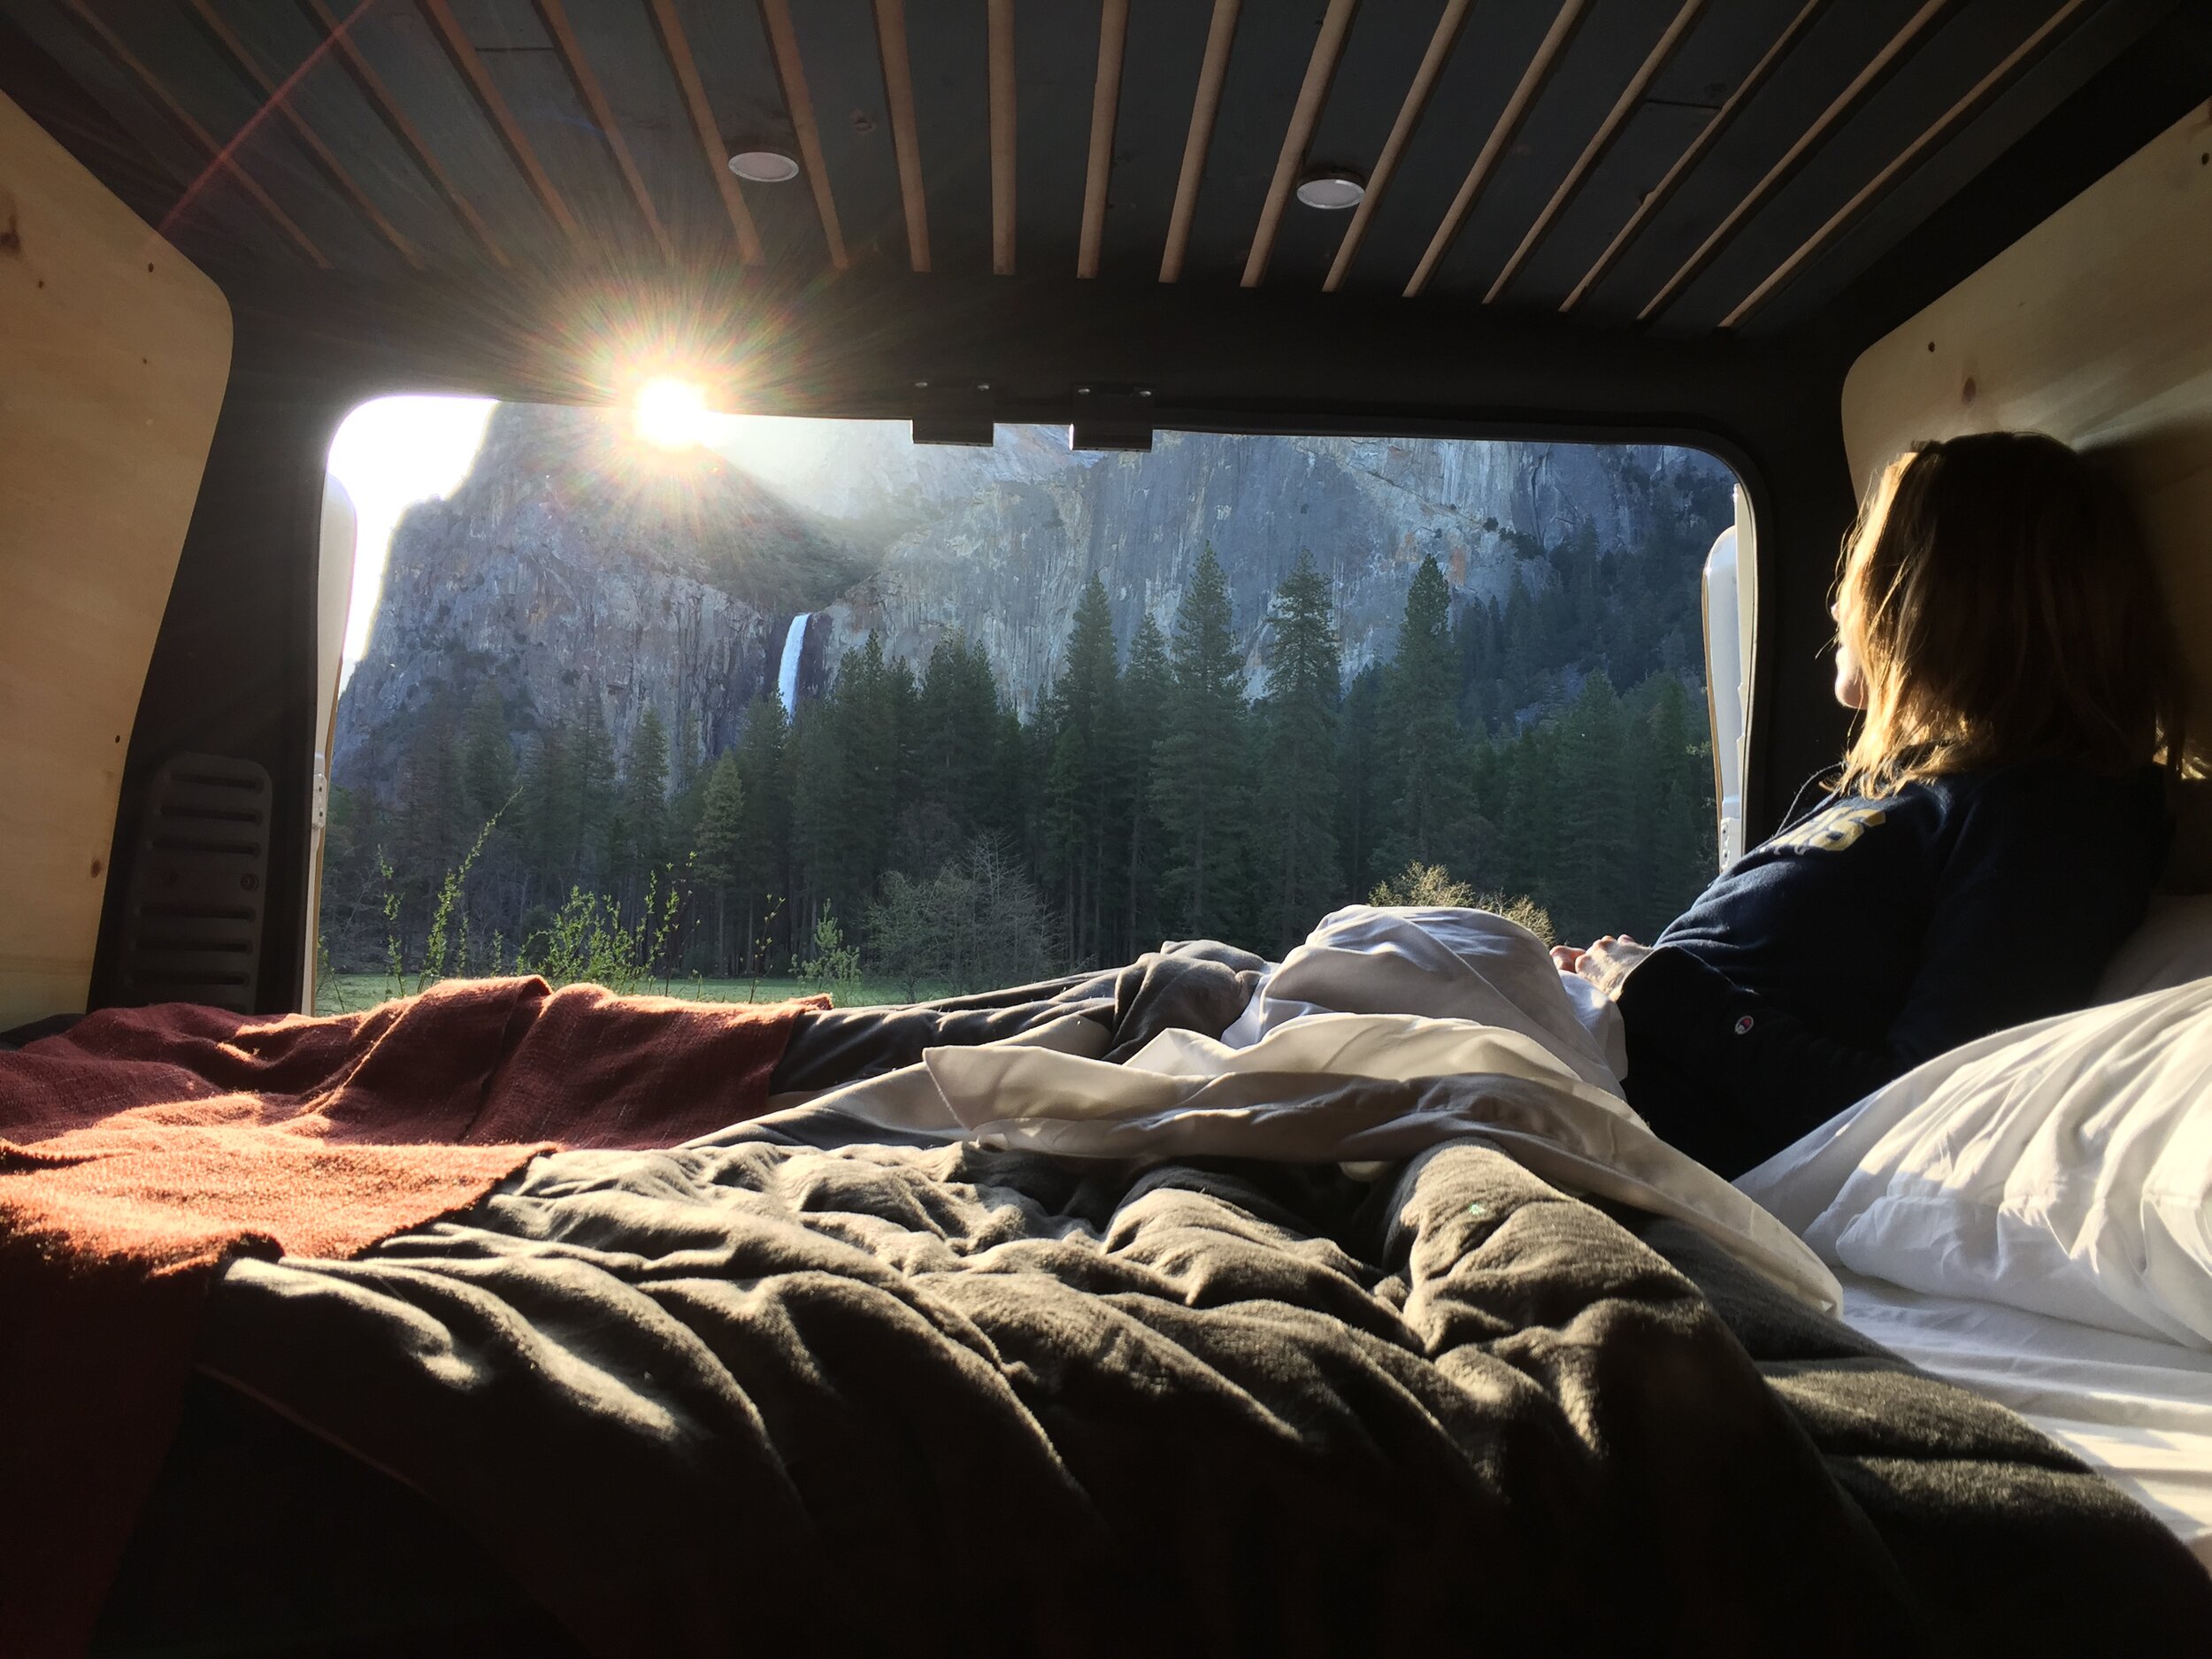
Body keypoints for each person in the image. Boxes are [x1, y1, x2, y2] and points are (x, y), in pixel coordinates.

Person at [1553, 432, 2187, 1178]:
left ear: (1938, 601)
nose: (1840, 601)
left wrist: (1661, 990)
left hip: (1618, 1120)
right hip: (1588, 1060)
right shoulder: (1896, 784)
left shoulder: (2051, 820)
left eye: (1869, 567)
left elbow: (1919, 1110)